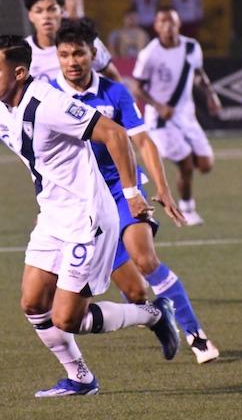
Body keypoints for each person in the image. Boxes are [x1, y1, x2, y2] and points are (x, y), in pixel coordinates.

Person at [0, 34, 180, 397]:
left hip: (87, 220)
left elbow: (115, 135)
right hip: (52, 218)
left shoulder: (50, 103)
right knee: (32, 304)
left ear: (20, 72)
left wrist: (132, 193)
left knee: (67, 319)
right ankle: (81, 379)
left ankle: (152, 314)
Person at [54, 19, 220, 363]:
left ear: (93, 54)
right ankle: (161, 316)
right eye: (65, 55)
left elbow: (142, 140)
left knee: (144, 257)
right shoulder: (48, 95)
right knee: (134, 291)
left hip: (121, 189)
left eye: (79, 53)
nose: (73, 61)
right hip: (81, 203)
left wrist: (161, 188)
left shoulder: (114, 93)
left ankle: (197, 336)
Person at [128, 6, 222, 226]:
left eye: (172, 22)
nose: (168, 26)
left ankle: (175, 158)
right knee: (186, 164)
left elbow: (198, 73)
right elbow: (137, 87)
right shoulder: (149, 53)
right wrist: (158, 106)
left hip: (186, 115)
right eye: (163, 22)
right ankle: (188, 210)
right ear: (156, 26)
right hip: (161, 120)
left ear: (179, 24)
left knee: (206, 164)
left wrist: (211, 95)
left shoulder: (191, 47)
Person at [23, 0, 121, 83]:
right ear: (30, 15)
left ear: (61, 11)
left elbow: (113, 76)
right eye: (39, 11)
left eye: (52, 9)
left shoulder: (85, 40)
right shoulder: (23, 51)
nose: (46, 16)